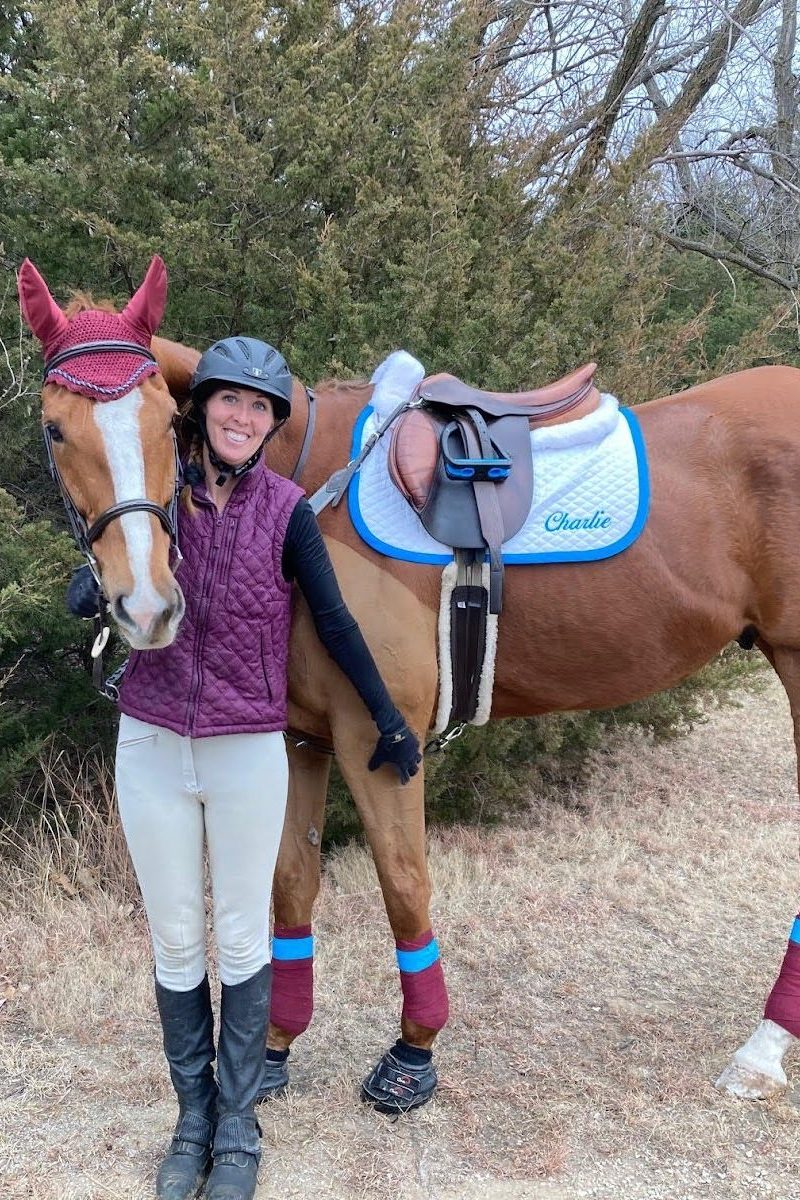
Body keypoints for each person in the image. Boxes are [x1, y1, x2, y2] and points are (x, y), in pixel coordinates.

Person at [74, 337, 421, 1200]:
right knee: (175, 938)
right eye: (228, 401)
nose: (241, 417)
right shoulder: (160, 497)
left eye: (260, 408)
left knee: (238, 933)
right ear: (203, 410)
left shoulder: (288, 510)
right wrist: (88, 586)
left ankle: (237, 1126)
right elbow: (112, 550)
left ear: (272, 424)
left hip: (246, 747)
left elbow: (336, 624)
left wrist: (386, 717)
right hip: (152, 742)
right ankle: (192, 1122)